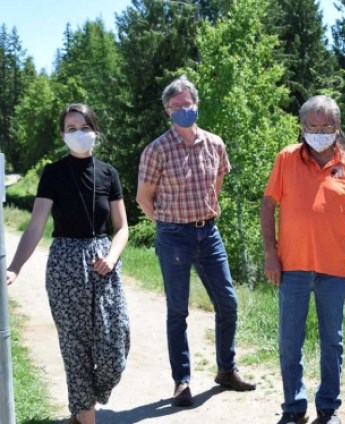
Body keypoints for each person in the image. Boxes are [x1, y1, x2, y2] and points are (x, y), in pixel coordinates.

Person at [136, 75, 255, 407]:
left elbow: (219, 178)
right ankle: (182, 381)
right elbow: (143, 197)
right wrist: (165, 223)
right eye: (175, 106)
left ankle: (227, 370)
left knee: (228, 303)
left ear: (196, 105)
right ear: (167, 111)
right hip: (174, 235)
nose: (182, 110)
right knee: (178, 311)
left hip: (209, 232)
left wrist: (209, 208)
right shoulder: (156, 150)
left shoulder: (215, 143)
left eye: (187, 104)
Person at [6, 103, 130, 424]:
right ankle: (84, 414)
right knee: (76, 352)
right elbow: (35, 226)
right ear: (63, 135)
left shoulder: (108, 173)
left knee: (114, 350)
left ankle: (84, 403)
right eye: (70, 129)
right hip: (64, 265)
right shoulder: (53, 173)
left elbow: (123, 228)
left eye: (83, 127)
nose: (78, 134)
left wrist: (112, 256)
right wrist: (15, 267)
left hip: (104, 266)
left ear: (95, 132)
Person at [261, 95, 345, 424]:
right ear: (302, 127)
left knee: (332, 342)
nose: (318, 131)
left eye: (325, 126)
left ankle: (328, 406)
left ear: (336, 127)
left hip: (334, 270)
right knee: (290, 341)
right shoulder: (286, 158)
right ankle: (294, 407)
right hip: (291, 266)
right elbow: (268, 206)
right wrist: (270, 254)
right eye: (312, 126)